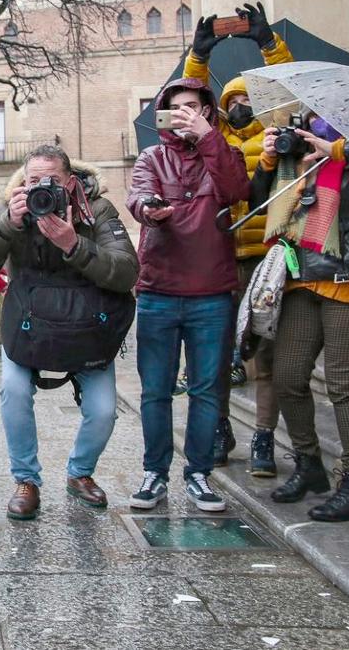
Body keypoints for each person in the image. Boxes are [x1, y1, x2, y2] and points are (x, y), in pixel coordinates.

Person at [0, 147, 137, 519]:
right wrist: (8, 223)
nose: (42, 188)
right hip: (29, 326)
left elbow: (126, 272)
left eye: (53, 182)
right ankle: (26, 480)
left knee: (104, 411)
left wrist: (73, 243)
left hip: (89, 327)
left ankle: (80, 473)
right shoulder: (12, 207)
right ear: (23, 183)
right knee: (13, 390)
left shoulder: (98, 208)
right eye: (34, 181)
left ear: (71, 182)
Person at [252, 115, 349, 522]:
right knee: (288, 375)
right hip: (305, 275)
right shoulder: (296, 154)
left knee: (343, 383)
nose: (315, 121)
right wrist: (268, 161)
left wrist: (333, 149)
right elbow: (255, 202)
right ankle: (309, 464)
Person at [125, 77, 249, 513]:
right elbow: (137, 196)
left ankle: (198, 473)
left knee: (206, 390)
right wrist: (149, 211)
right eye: (175, 108)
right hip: (159, 289)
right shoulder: (152, 157)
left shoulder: (224, 153)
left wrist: (208, 138)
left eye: (192, 108)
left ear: (207, 112)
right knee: (155, 391)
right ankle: (154, 471)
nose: (184, 115)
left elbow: (236, 191)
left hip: (212, 292)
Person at [184, 2, 293, 475]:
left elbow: (294, 85)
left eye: (251, 97)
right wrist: (197, 55)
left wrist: (268, 44)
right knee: (220, 354)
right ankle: (223, 427)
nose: (241, 105)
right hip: (224, 256)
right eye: (232, 100)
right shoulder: (211, 136)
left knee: (267, 356)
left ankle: (265, 438)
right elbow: (190, 95)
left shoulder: (279, 130)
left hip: (270, 256)